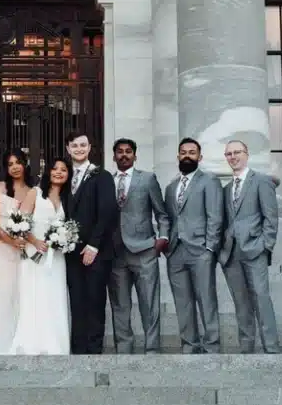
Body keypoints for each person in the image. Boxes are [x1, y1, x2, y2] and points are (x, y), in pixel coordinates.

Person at [219, 137, 281, 354]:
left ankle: (271, 348)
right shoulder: (226, 189)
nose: (233, 157)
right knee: (241, 303)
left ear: (246, 155)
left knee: (261, 299)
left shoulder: (262, 181)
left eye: (237, 152)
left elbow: (271, 218)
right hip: (231, 254)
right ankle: (246, 349)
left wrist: (265, 245)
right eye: (229, 154)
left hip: (255, 249)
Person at [108, 137, 169, 354]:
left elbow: (162, 213)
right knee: (120, 305)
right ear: (114, 156)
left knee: (149, 303)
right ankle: (124, 349)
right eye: (120, 152)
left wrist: (161, 240)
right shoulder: (108, 180)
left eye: (128, 151)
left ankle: (152, 348)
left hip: (144, 250)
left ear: (135, 155)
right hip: (116, 254)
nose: (124, 155)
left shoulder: (148, 179)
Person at [163, 137, 223, 354]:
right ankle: (189, 346)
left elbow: (215, 216)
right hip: (176, 252)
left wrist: (210, 248)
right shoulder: (170, 187)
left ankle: (212, 348)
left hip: (200, 251)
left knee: (207, 300)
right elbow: (169, 218)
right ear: (178, 156)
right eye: (183, 152)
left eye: (192, 152)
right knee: (183, 303)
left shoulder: (209, 181)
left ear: (200, 157)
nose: (187, 155)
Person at [9, 155, 72, 355]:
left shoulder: (67, 199)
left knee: (54, 296)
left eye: (63, 169)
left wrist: (63, 240)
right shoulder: (35, 193)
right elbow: (19, 223)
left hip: (56, 257)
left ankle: (55, 344)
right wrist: (35, 242)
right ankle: (32, 342)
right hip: (34, 253)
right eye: (55, 169)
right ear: (48, 171)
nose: (59, 172)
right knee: (34, 295)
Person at [64, 131, 117, 355]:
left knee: (95, 300)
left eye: (83, 145)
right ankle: (78, 348)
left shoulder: (101, 175)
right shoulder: (64, 177)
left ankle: (94, 350)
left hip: (96, 251)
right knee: (76, 301)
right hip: (70, 252)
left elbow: (108, 211)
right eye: (75, 145)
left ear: (90, 147)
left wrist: (94, 245)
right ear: (68, 149)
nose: (79, 149)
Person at [0, 148, 34, 353]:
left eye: (18, 162)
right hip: (0, 250)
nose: (14, 167)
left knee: (19, 296)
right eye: (10, 164)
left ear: (25, 164)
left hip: (22, 252)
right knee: (1, 296)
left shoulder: (32, 191)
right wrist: (10, 241)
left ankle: (16, 341)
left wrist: (22, 240)